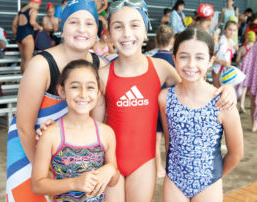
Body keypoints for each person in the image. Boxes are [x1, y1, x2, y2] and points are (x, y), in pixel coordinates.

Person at [91, 1, 237, 201]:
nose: (126, 33)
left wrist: (226, 89)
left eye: (134, 25)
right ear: (108, 32)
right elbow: (95, 130)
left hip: (144, 164)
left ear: (146, 30)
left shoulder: (161, 68)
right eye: (118, 26)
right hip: (111, 162)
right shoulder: (103, 76)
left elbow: (191, 87)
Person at [6, 1, 104, 201]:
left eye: (89, 23)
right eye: (73, 22)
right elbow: (24, 127)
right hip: (29, 149)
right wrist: (45, 173)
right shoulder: (40, 65)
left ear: (97, 29)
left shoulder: (100, 65)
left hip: (70, 151)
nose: (82, 29)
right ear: (62, 26)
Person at [159, 26, 244, 202]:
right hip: (174, 180)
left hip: (209, 183)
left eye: (199, 57)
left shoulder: (223, 102)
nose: (191, 64)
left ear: (211, 61)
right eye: (184, 56)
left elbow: (236, 153)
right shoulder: (165, 98)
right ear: (174, 59)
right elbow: (169, 143)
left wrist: (213, 177)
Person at [31, 59, 119, 201]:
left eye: (90, 87)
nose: (83, 94)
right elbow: (37, 185)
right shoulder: (51, 135)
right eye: (75, 87)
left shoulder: (106, 133)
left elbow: (114, 180)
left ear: (98, 92)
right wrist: (75, 183)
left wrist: (110, 170)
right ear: (62, 91)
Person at [152, 24, 175, 179]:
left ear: (156, 40)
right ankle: (171, 166)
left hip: (153, 105)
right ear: (172, 41)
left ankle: (159, 168)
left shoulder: (149, 60)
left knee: (156, 139)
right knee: (171, 139)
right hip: (170, 105)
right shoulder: (175, 61)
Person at [13, 0, 43, 73]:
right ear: (35, 3)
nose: (38, 7)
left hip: (19, 36)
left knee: (23, 59)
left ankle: (22, 79)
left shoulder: (21, 11)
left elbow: (14, 24)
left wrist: (16, 35)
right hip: (27, 36)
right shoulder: (33, 10)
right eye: (39, 5)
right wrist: (40, 27)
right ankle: (26, 81)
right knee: (28, 60)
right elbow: (32, 22)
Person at [212, 21, 238, 88]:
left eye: (234, 30)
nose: (232, 32)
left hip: (225, 69)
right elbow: (212, 56)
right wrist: (223, 62)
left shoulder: (231, 42)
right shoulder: (220, 41)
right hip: (218, 69)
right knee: (217, 89)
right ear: (224, 30)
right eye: (230, 29)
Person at [236, 31, 255, 113]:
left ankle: (242, 105)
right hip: (252, 71)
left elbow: (237, 60)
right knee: (252, 89)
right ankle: (253, 106)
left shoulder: (243, 48)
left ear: (246, 40)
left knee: (243, 89)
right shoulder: (255, 49)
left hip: (243, 71)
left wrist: (241, 63)